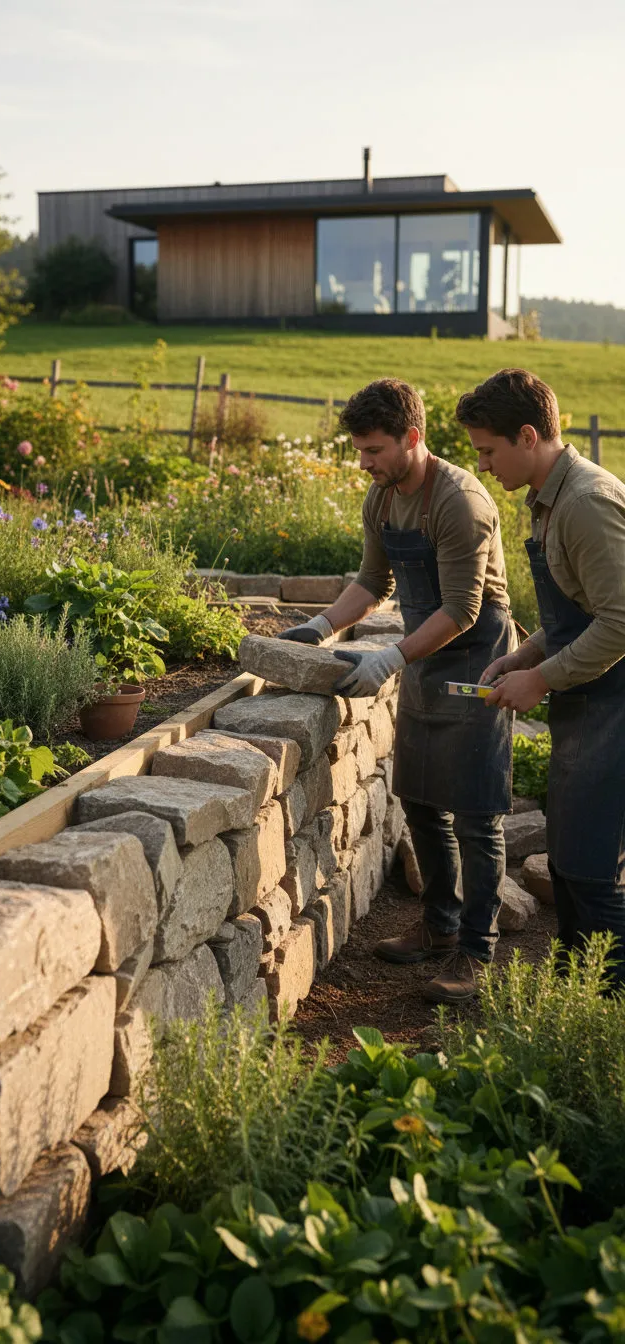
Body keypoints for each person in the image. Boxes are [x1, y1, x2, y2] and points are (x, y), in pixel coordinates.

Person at [278, 378, 514, 1002]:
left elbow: (463, 610)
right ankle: (439, 928)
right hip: (421, 658)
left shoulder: (459, 501)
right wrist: (322, 626)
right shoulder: (382, 499)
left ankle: (474, 952)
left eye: (374, 449)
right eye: (359, 450)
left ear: (412, 438)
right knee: (420, 800)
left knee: (475, 811)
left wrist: (388, 657)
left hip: (475, 663)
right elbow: (372, 581)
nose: (363, 462)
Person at [457, 368, 625, 985]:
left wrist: (543, 680)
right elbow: (573, 614)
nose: (485, 465)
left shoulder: (585, 502)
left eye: (488, 451)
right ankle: (575, 1002)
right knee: (570, 867)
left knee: (591, 873)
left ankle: (606, 1027)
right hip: (589, 703)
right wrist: (523, 657)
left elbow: (621, 623)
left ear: (528, 435)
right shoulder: (546, 500)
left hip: (614, 704)